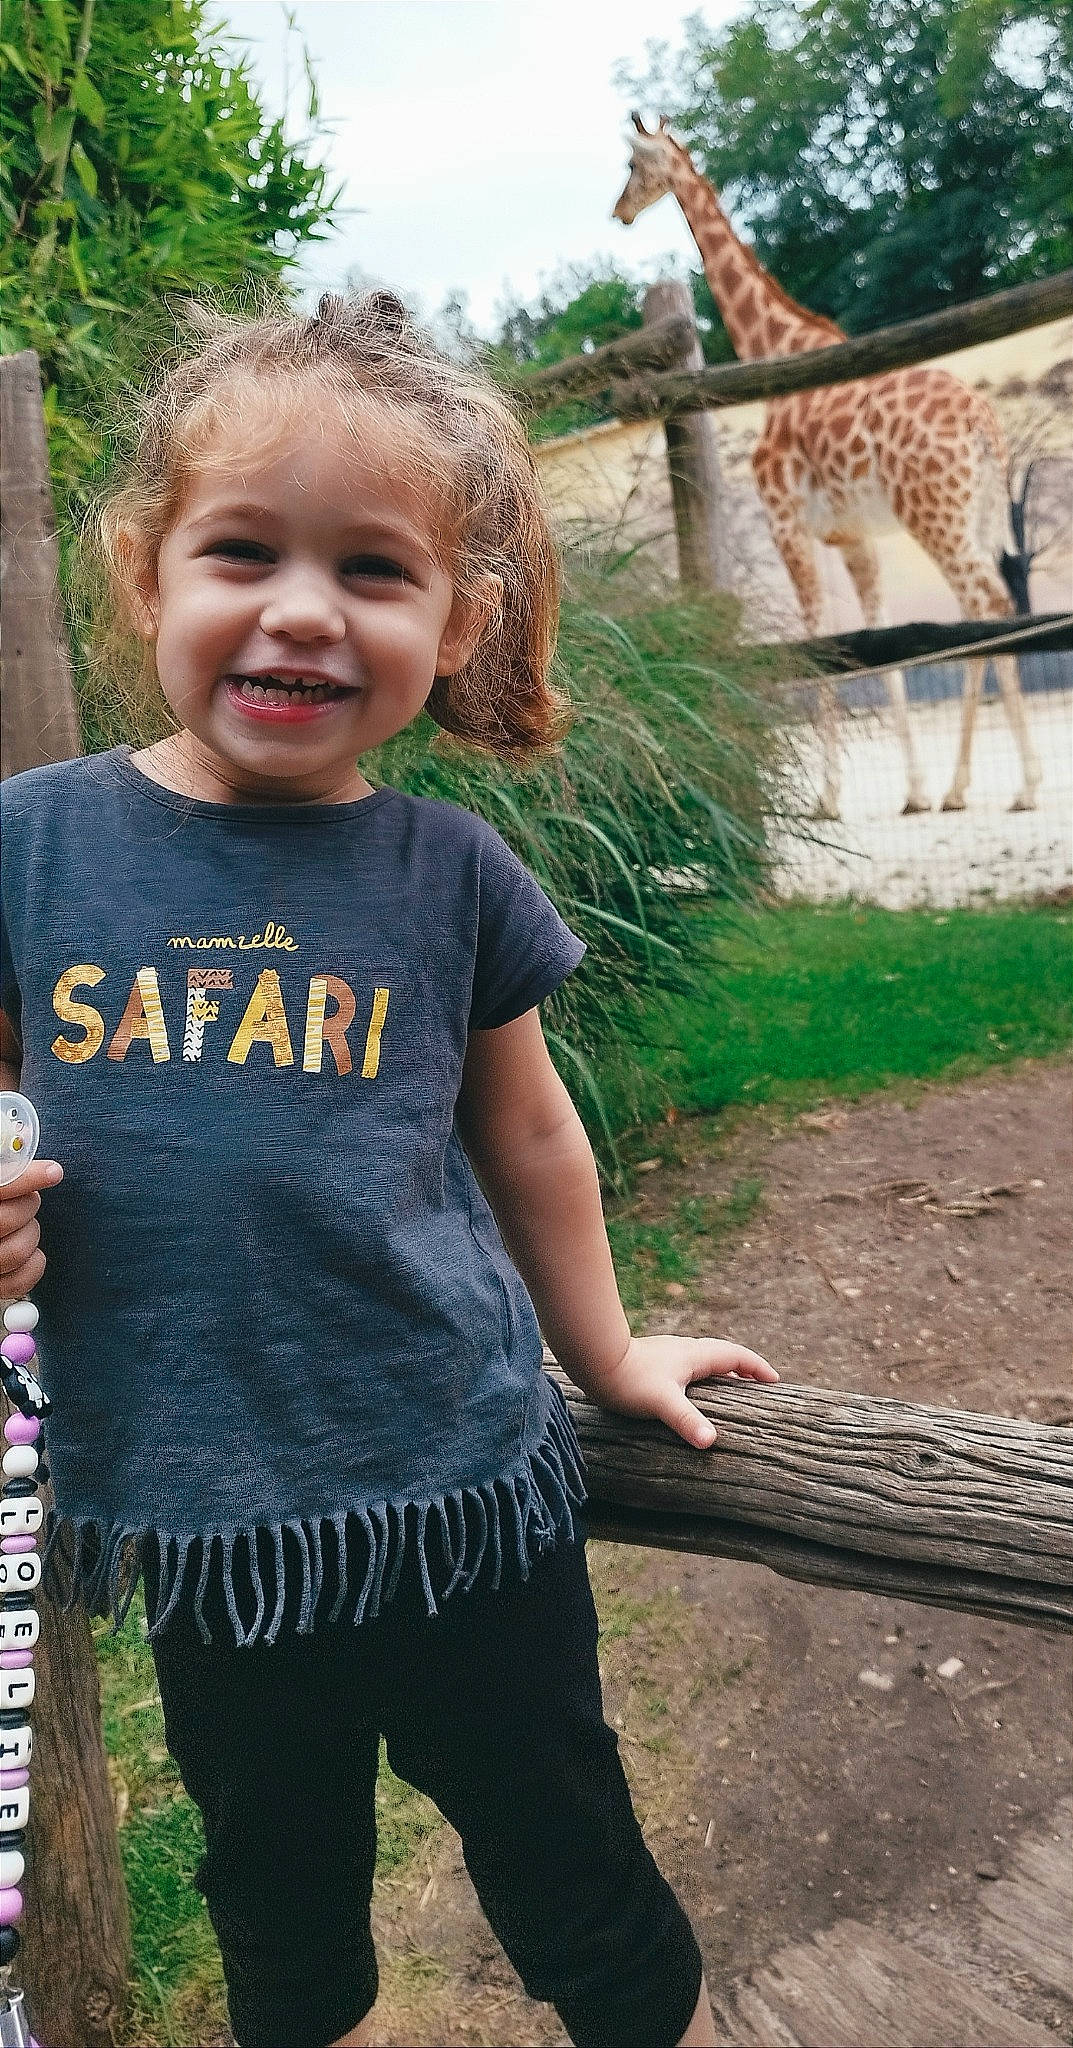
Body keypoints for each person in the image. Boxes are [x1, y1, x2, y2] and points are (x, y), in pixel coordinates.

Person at [0, 290, 778, 2048]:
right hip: (208, 1524)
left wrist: (612, 1354)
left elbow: (527, 1131)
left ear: (454, 620)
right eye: (243, 551)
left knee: (571, 1865)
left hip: (458, 1485)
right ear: (146, 574)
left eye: (371, 570)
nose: (300, 609)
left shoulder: (448, 875)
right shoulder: (33, 849)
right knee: (281, 1916)